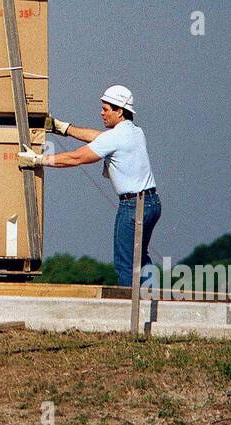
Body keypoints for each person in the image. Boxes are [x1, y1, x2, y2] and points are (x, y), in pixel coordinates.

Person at [19, 84, 161, 289]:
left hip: (133, 206)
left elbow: (77, 157)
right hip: (151, 203)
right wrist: (63, 127)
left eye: (105, 109)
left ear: (119, 111)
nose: (101, 113)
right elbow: (97, 137)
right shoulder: (135, 132)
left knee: (125, 264)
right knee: (140, 257)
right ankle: (154, 303)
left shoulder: (115, 137)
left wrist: (38, 160)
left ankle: (129, 311)